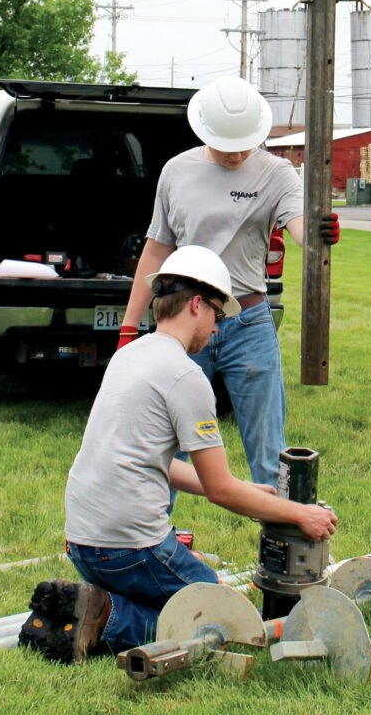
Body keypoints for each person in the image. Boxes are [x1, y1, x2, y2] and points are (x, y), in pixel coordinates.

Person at [19, 245, 337, 664]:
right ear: (196, 304)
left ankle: (89, 601)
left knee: (187, 605)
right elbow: (221, 490)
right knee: (224, 622)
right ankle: (106, 614)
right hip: (129, 548)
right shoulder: (186, 376)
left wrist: (250, 489)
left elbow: (159, 462)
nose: (218, 330)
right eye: (217, 316)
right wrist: (299, 514)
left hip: (81, 544)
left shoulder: (128, 356)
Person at [116, 74, 339, 487]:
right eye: (228, 148)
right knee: (163, 447)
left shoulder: (277, 173)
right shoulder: (176, 171)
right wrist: (130, 326)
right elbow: (156, 248)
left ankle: (280, 548)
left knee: (270, 453)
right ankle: (152, 542)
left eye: (245, 147)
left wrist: (319, 233)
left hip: (247, 323)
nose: (237, 157)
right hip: (184, 321)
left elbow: (298, 225)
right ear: (205, 131)